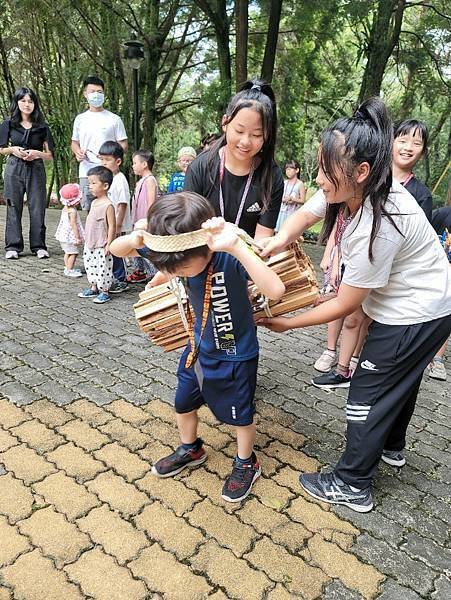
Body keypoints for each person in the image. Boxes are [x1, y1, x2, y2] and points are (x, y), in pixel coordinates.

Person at [259, 97, 451, 512]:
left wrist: (288, 324)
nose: (319, 178)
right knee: (401, 379)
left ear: (360, 172)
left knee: (368, 388)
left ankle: (352, 482)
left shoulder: (379, 223)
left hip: (417, 312)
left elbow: (345, 303)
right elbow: (307, 213)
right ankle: (392, 448)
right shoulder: (355, 185)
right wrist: (277, 240)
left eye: (326, 171)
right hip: (433, 303)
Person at [110, 192, 285, 502]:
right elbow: (116, 248)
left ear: (205, 246)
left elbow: (276, 289)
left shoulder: (229, 256)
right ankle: (191, 449)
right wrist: (138, 236)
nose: (174, 274)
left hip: (235, 354)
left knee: (241, 416)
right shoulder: (174, 253)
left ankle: (247, 462)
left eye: (181, 269)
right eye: (171, 269)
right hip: (197, 349)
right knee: (183, 403)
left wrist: (236, 246)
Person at [184, 79, 283, 240]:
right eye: (239, 130)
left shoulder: (272, 176)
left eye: (256, 135)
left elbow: (262, 240)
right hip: (202, 258)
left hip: (247, 259)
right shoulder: (200, 168)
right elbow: (188, 231)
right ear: (225, 123)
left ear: (267, 134)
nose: (246, 141)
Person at [0, 87, 54, 259]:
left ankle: (39, 246)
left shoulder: (42, 126)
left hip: (36, 168)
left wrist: (36, 154)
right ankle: (13, 247)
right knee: (13, 206)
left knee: (37, 207)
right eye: (23, 100)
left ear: (35, 104)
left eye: (30, 101)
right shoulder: (8, 123)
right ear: (17, 102)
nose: (27, 104)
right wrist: (13, 150)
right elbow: (1, 149)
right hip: (14, 167)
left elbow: (50, 155)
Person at [71, 76, 128, 211]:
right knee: (90, 210)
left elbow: (123, 145)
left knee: (110, 208)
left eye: (100, 92)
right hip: (86, 171)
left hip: (108, 172)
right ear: (85, 94)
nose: (96, 95)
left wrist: (108, 156)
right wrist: (77, 152)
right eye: (92, 91)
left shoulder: (114, 119)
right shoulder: (80, 119)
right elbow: (74, 142)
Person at [77, 166, 116, 304]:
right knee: (90, 264)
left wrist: (109, 244)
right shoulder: (93, 203)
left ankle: (104, 290)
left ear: (105, 185)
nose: (90, 187)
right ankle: (93, 287)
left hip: (102, 243)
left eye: (94, 183)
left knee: (103, 267)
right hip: (90, 242)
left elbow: (112, 226)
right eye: (89, 184)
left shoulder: (108, 205)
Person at [98, 140, 131, 293]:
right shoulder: (109, 179)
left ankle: (121, 279)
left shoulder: (120, 180)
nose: (103, 163)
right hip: (111, 225)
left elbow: (122, 205)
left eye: (107, 160)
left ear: (118, 161)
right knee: (111, 251)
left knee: (117, 251)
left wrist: (117, 226)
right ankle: (113, 277)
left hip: (118, 225)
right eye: (101, 159)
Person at [127, 150, 159, 283]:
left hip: (145, 221)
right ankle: (140, 270)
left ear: (144, 164)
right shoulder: (141, 181)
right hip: (137, 220)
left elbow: (151, 202)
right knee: (137, 244)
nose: (133, 166)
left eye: (135, 163)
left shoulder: (150, 180)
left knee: (146, 247)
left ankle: (155, 274)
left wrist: (148, 219)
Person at [392, 119, 432, 222]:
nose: (408, 147)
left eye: (417, 144)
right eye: (403, 141)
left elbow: (422, 235)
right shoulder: (372, 178)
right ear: (391, 144)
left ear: (423, 153)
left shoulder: (422, 195)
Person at [54, 183, 84, 277]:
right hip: (70, 236)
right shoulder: (72, 211)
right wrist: (78, 237)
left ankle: (67, 267)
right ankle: (69, 270)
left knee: (67, 252)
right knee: (73, 253)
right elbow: (73, 225)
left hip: (63, 235)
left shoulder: (65, 208)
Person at [275, 160, 306, 231]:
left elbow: (302, 201)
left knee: (288, 233)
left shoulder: (300, 184)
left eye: (290, 169)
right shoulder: (284, 182)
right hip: (281, 212)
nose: (287, 171)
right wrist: (283, 199)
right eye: (286, 169)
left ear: (297, 170)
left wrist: (292, 199)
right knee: (277, 233)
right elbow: (279, 196)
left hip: (292, 214)